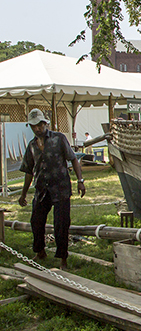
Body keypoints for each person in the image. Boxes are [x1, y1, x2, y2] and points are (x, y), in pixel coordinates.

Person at [18, 109, 86, 270]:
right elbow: (28, 171)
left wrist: (80, 181)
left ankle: (63, 259)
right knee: (36, 221)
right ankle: (40, 251)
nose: (37, 128)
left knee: (61, 224)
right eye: (33, 126)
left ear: (45, 123)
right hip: (42, 189)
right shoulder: (32, 146)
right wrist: (23, 194)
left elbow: (73, 159)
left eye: (40, 125)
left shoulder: (59, 138)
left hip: (61, 188)